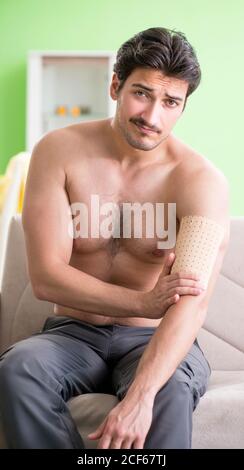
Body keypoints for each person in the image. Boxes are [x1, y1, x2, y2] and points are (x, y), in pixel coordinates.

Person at [0, 27, 229, 449]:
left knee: (167, 390)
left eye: (171, 102)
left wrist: (140, 397)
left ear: (183, 106)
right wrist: (144, 300)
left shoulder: (201, 182)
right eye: (141, 93)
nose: (152, 116)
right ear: (115, 86)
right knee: (16, 369)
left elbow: (191, 301)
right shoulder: (58, 152)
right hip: (72, 333)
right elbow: (47, 277)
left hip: (153, 338)